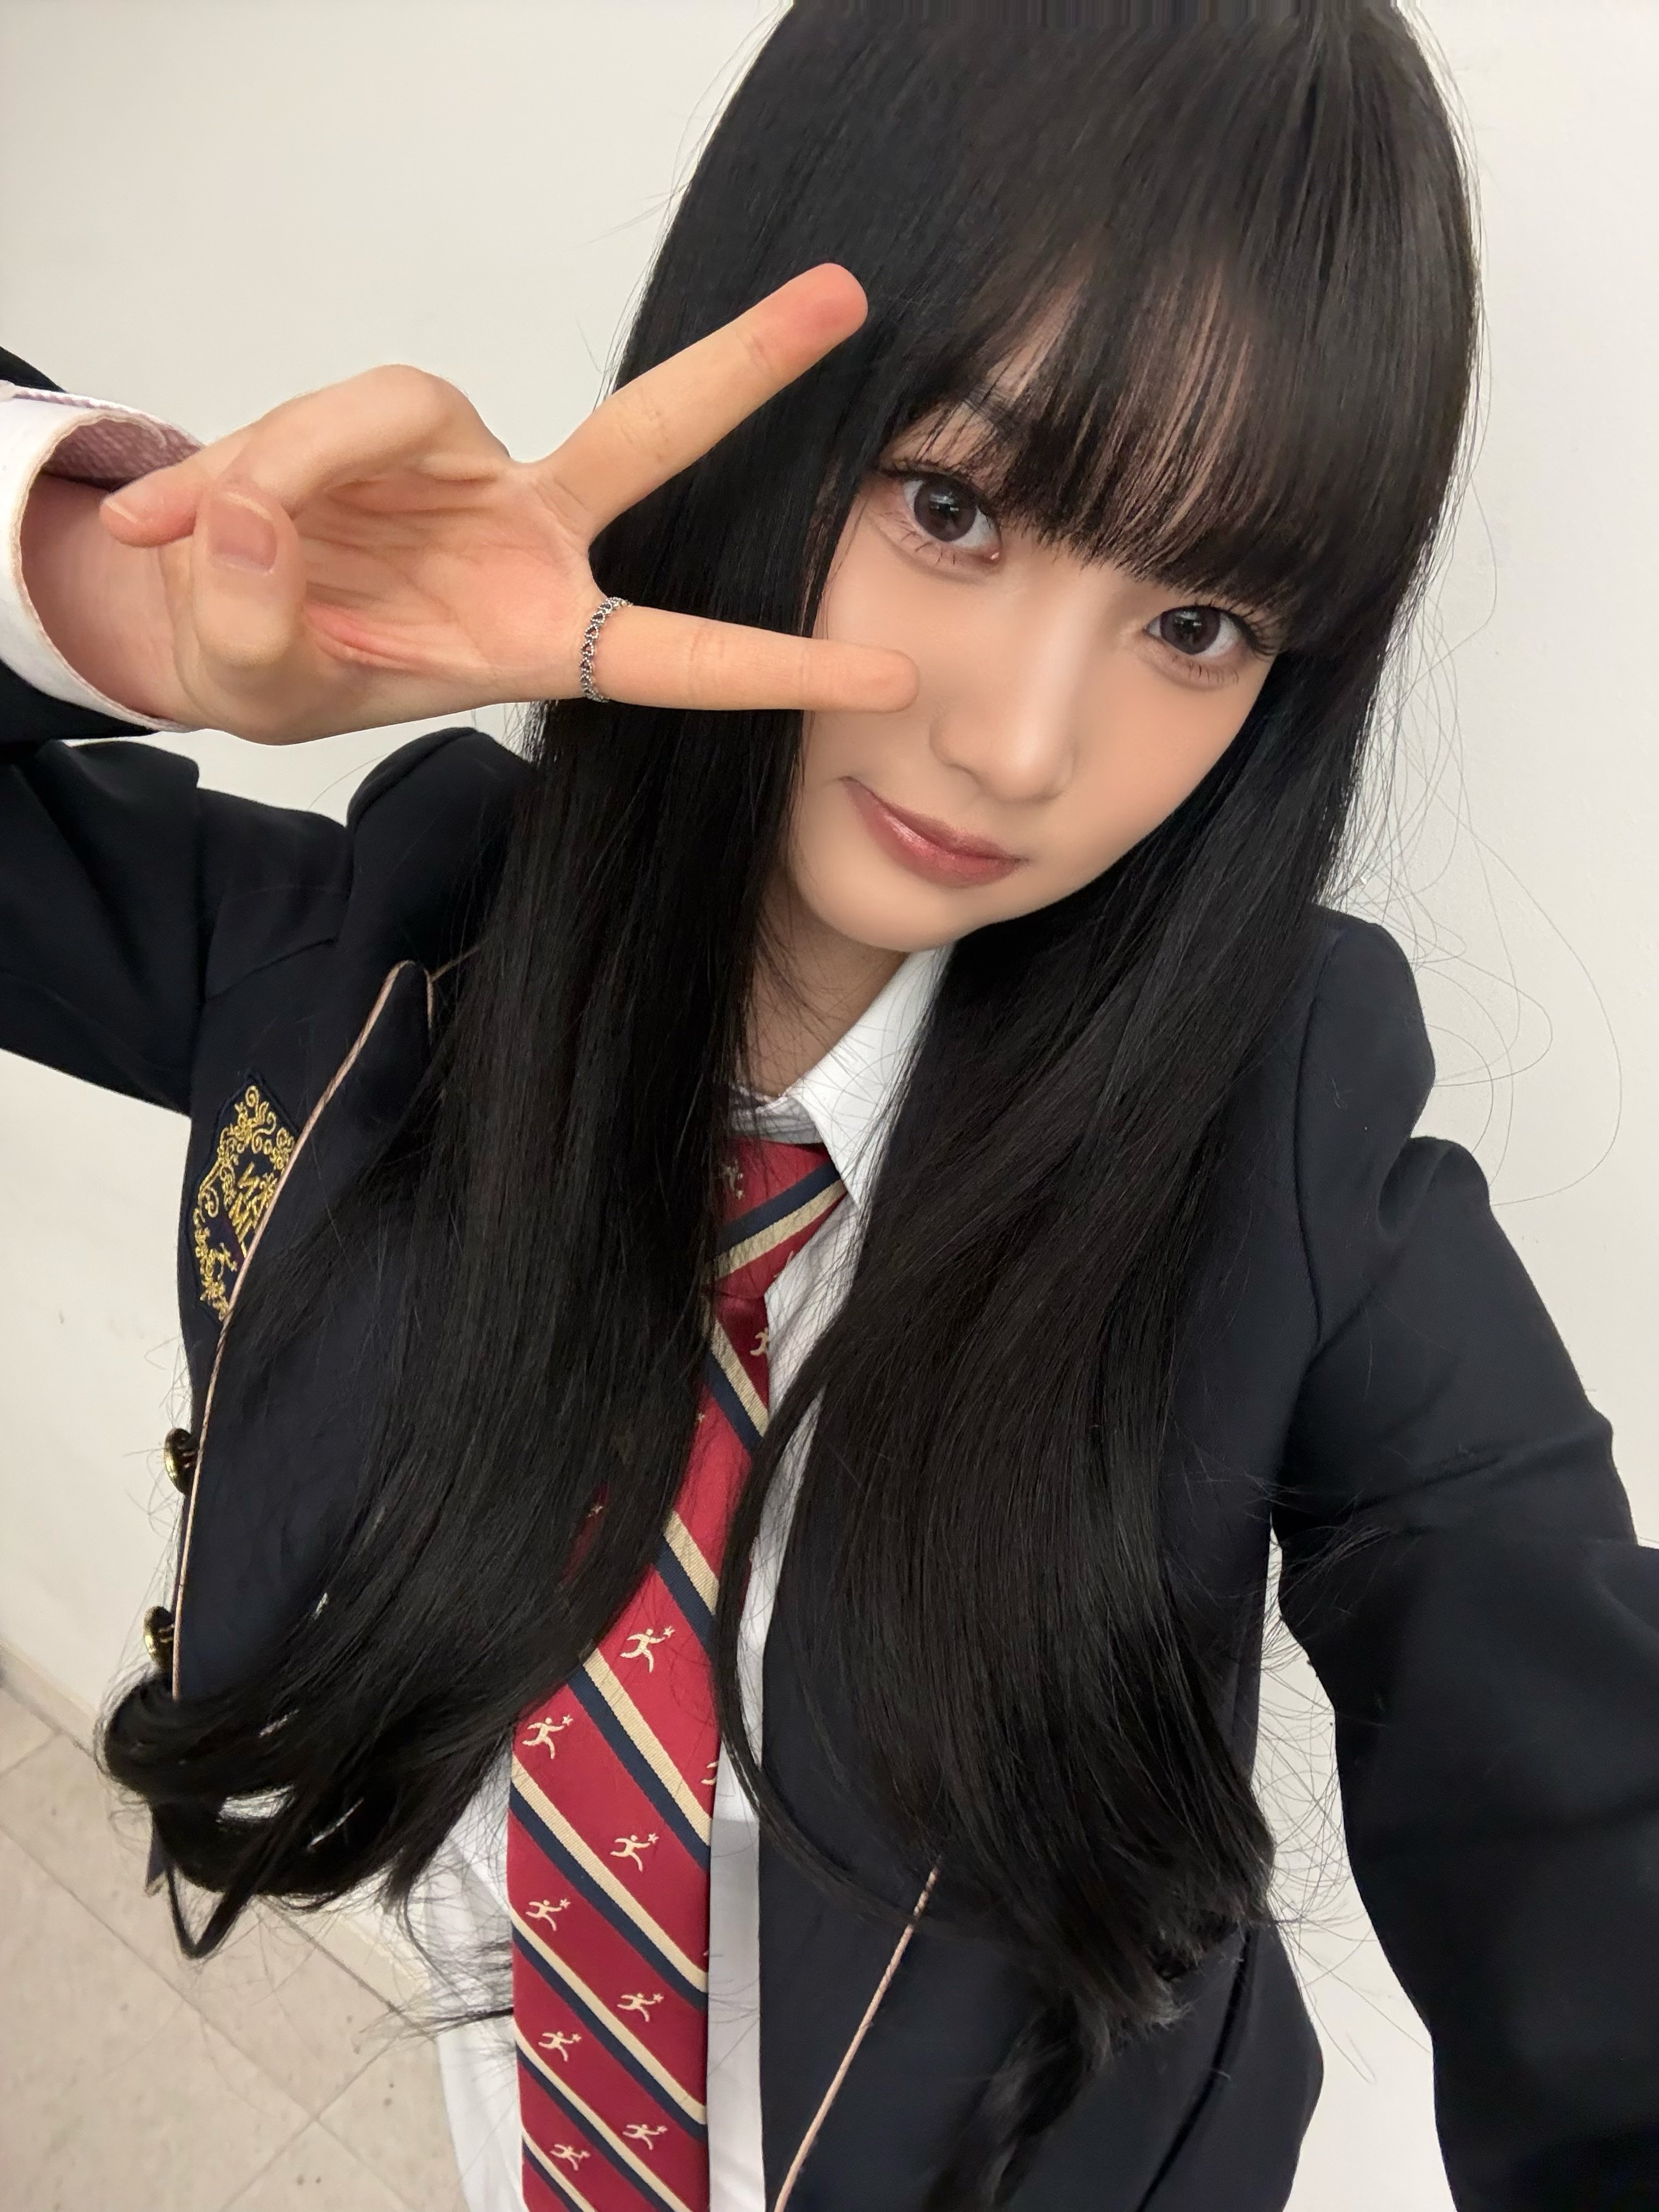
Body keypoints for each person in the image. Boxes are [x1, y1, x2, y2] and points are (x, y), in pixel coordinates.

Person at [4, 5, 1657, 2210]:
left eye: (1199, 622)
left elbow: (1576, 1789)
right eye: (957, 506)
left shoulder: (1286, 1152)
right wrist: (94, 593)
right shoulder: (385, 951)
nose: (1023, 744)